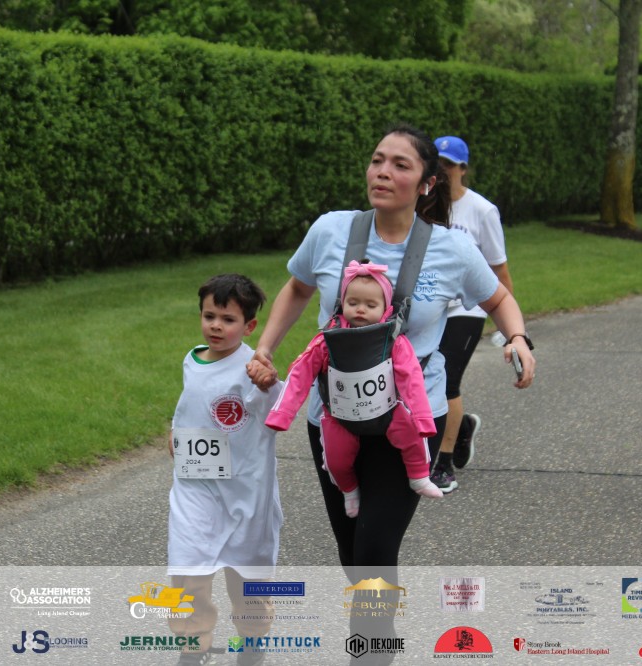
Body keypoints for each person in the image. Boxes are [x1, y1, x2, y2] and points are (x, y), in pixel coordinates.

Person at [246, 123, 535, 661]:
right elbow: (297, 288)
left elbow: (498, 298)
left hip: (410, 415)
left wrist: (517, 337)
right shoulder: (331, 230)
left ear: (427, 183)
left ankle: (373, 651)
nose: (382, 171)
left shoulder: (452, 248)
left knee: (376, 548)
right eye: (378, 160)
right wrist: (265, 349)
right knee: (352, 551)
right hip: (333, 416)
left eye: (400, 165)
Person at [265, 259, 443, 518]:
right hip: (339, 416)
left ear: (385, 308)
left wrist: (423, 418)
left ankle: (419, 477)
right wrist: (282, 415)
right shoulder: (327, 339)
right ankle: (349, 490)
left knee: (413, 436)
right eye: (353, 303)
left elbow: (412, 379)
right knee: (334, 460)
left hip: (389, 411)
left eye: (370, 305)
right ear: (341, 303)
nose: (360, 309)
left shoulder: (393, 339)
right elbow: (299, 375)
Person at [167, 274, 284, 666]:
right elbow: (191, 404)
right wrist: (176, 432)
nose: (216, 326)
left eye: (228, 319)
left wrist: (268, 384)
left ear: (249, 326)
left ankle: (252, 644)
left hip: (244, 491)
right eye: (209, 316)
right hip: (195, 488)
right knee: (188, 568)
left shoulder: (253, 369)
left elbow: (280, 409)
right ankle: (193, 648)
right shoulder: (193, 358)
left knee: (247, 575)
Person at [429, 135, 515, 493]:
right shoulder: (422, 203)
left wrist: (511, 329)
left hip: (468, 307)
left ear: (463, 169)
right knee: (424, 377)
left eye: (449, 164)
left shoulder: (482, 210)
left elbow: (499, 269)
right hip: (431, 303)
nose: (443, 170)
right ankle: (461, 426)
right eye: (437, 163)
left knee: (447, 380)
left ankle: (444, 463)